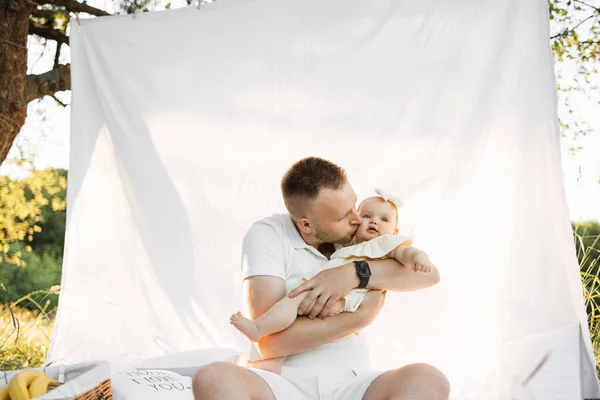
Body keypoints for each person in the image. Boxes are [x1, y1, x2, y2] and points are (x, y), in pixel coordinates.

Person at [192, 157, 450, 400]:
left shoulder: (366, 240)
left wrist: (351, 274)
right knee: (214, 376)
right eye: (343, 216)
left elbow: (428, 275)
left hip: (351, 381)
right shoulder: (269, 234)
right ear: (306, 225)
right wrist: (358, 318)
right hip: (281, 381)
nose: (358, 219)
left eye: (354, 206)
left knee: (427, 379)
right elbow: (270, 343)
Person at [229, 189, 436, 375]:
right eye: (366, 216)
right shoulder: (346, 243)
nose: (374, 222)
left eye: (384, 219)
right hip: (321, 289)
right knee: (291, 300)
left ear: (395, 232)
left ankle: (264, 339)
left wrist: (419, 259)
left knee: (302, 307)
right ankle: (266, 347)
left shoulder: (386, 244)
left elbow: (407, 253)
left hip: (346, 299)